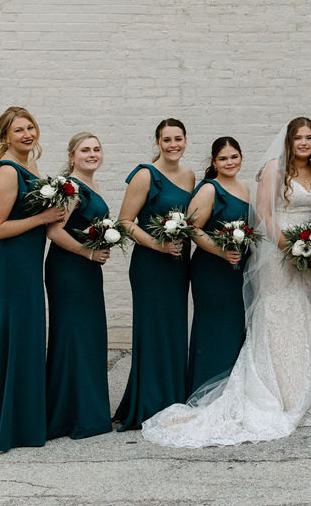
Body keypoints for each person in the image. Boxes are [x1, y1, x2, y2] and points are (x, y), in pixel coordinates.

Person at [141, 118, 311, 447]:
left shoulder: (269, 180)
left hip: (303, 255)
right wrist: (286, 246)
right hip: (273, 253)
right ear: (213, 163)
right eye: (223, 158)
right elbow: (238, 222)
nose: (303, 142)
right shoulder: (226, 183)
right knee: (269, 314)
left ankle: (302, 390)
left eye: (308, 137)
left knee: (300, 313)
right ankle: (260, 388)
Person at [0, 106, 65, 452]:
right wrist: (42, 218)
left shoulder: (30, 166)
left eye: (31, 128)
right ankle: (2, 424)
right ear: (6, 137)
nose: (27, 135)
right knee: (12, 336)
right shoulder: (7, 171)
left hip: (28, 263)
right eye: (19, 130)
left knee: (26, 337)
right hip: (10, 265)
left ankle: (20, 419)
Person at [113, 119, 195, 431]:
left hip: (179, 264)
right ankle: (148, 402)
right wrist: (157, 245)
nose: (173, 145)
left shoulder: (189, 176)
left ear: (186, 140)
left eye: (178, 139)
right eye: (167, 140)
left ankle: (173, 398)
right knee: (152, 331)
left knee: (174, 330)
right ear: (157, 142)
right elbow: (125, 221)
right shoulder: (145, 175)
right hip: (151, 263)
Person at [43, 132, 113, 440]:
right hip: (69, 269)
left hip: (85, 270)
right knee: (74, 336)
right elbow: (54, 231)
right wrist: (89, 251)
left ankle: (84, 411)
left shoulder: (91, 185)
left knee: (87, 336)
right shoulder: (71, 188)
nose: (91, 154)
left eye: (96, 149)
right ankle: (74, 416)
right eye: (85, 150)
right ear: (72, 156)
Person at [185, 137, 250, 394]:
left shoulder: (244, 188)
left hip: (236, 270)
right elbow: (190, 227)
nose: (229, 162)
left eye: (233, 156)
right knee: (214, 327)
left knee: (234, 326)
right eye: (223, 158)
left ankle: (232, 391)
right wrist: (221, 251)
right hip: (211, 270)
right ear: (214, 162)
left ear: (241, 157)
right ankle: (206, 389)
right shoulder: (209, 189)